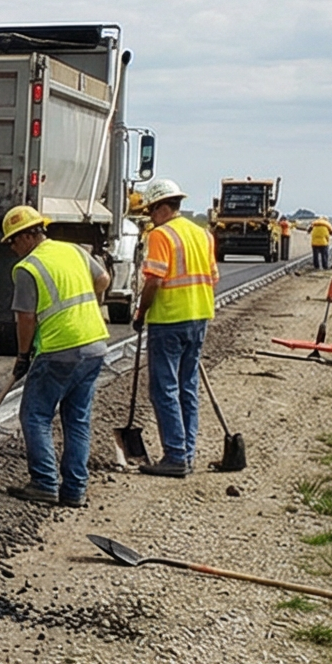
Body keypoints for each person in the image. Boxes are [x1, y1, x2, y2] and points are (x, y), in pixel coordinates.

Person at [2, 206, 111, 507]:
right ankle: (74, 490)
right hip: (95, 343)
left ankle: (45, 483)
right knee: (77, 418)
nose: (12, 248)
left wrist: (23, 356)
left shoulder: (28, 268)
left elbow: (25, 319)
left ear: (27, 236)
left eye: (13, 241)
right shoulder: (73, 251)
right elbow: (103, 280)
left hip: (61, 349)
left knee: (35, 415)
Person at [134, 178, 219, 478]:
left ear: (162, 207)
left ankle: (174, 455)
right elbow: (213, 276)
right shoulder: (203, 234)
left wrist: (141, 312)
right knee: (187, 387)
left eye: (151, 211)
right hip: (199, 317)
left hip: (169, 319)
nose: (149, 217)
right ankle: (187, 453)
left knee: (164, 389)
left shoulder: (161, 235)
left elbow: (154, 280)